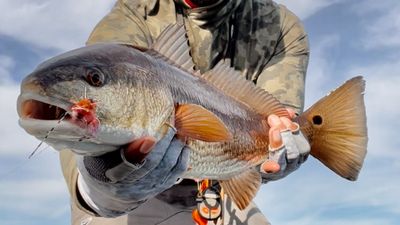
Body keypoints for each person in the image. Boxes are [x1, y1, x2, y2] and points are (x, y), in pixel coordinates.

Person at [60, 0, 310, 224]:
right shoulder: (132, 14)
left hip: (218, 185)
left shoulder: (281, 28)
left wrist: (283, 141)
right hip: (137, 191)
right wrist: (99, 184)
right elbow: (87, 111)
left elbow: (280, 120)